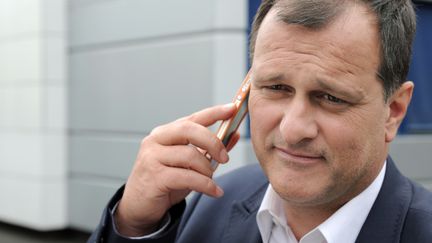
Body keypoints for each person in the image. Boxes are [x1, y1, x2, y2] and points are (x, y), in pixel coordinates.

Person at [88, 0, 432, 242]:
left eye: (331, 97)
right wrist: (134, 227)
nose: (293, 129)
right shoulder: (207, 205)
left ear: (394, 111)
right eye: (276, 87)